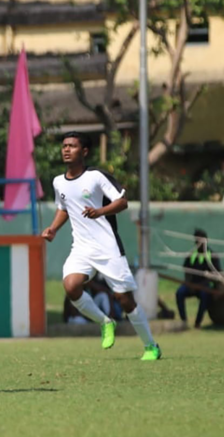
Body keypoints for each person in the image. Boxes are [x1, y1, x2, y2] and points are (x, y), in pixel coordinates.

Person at [41, 132, 161, 360]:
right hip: (82, 248)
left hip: (107, 247)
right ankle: (105, 322)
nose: (66, 149)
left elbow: (122, 202)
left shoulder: (96, 177)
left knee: (124, 299)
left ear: (84, 151)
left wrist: (100, 211)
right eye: (64, 146)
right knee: (71, 286)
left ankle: (151, 346)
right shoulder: (58, 181)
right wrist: (54, 228)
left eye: (72, 146)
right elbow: (64, 208)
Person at [176, 229, 222, 329]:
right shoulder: (192, 255)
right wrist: (189, 283)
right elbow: (186, 270)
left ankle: (197, 323)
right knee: (180, 293)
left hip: (205, 285)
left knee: (205, 295)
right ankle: (184, 321)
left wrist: (210, 286)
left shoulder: (212, 255)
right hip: (192, 284)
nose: (199, 243)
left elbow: (217, 274)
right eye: (197, 240)